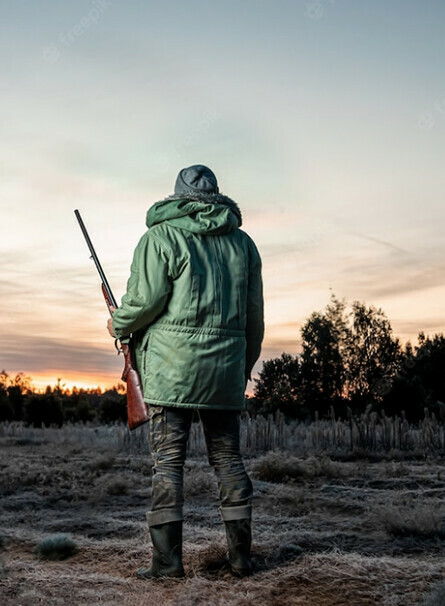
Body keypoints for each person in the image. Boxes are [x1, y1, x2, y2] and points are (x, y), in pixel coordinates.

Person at [107, 164, 264, 579]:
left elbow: (145, 301)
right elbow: (254, 318)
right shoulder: (243, 245)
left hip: (170, 372)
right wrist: (240, 369)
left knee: (168, 465)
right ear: (217, 195)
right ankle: (242, 559)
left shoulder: (158, 237)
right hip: (225, 371)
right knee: (229, 459)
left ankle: (166, 563)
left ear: (176, 197)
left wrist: (117, 324)